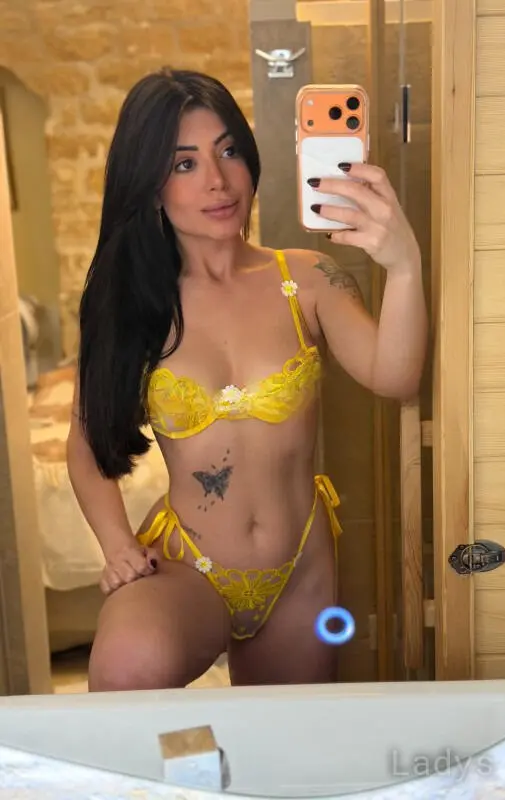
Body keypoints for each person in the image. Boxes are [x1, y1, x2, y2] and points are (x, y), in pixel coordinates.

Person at [66, 68, 427, 691]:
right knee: (127, 665)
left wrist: (404, 265)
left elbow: (394, 376)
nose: (218, 179)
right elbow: (86, 442)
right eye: (184, 164)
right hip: (189, 567)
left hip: (300, 569)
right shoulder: (130, 308)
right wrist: (117, 545)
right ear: (149, 185)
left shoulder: (307, 278)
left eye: (229, 150)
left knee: (287, 741)